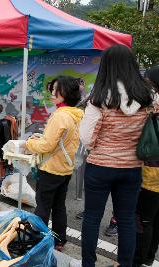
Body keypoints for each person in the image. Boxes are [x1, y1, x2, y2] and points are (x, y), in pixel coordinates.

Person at [79, 45, 156, 267]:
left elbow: (86, 139)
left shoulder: (99, 98)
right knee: (126, 221)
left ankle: (88, 264)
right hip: (132, 168)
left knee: (92, 219)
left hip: (100, 167)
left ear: (106, 67)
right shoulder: (148, 98)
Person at [25, 76, 83, 252]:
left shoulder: (60, 115)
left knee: (43, 207)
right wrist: (41, 139)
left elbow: (47, 145)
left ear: (64, 93)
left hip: (51, 168)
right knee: (59, 207)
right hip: (65, 168)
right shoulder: (76, 114)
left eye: (55, 88)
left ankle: (37, 242)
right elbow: (60, 141)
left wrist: (29, 143)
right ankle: (59, 241)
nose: (51, 92)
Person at [133, 66, 159, 267]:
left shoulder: (154, 107)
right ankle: (149, 257)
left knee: (143, 220)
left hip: (152, 175)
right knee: (155, 219)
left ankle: (137, 260)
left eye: (149, 82)